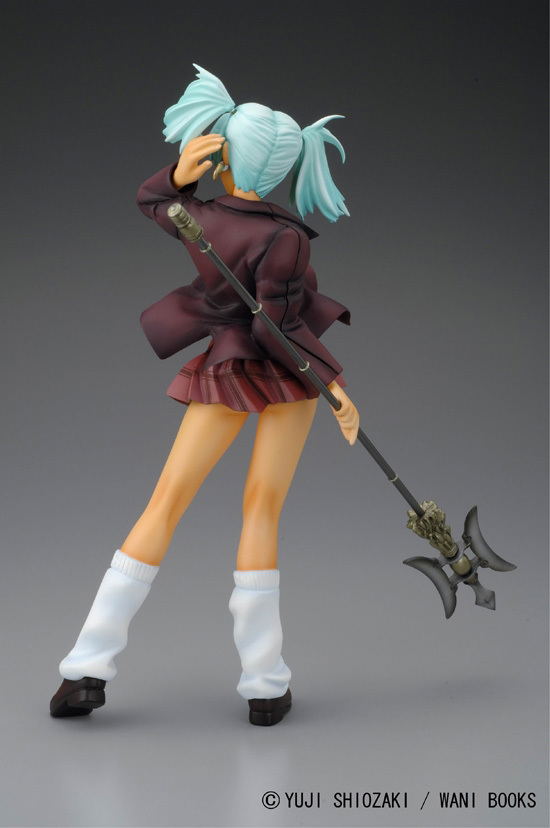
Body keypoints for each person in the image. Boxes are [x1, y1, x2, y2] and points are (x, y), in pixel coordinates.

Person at [49, 65, 360, 726]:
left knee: (165, 502)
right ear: (284, 167)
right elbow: (277, 327)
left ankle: (85, 669)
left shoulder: (201, 216)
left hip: (225, 369)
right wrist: (330, 385)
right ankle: (264, 683)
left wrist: (180, 174)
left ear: (227, 157)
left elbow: (151, 201)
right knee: (262, 509)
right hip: (284, 374)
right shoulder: (284, 237)